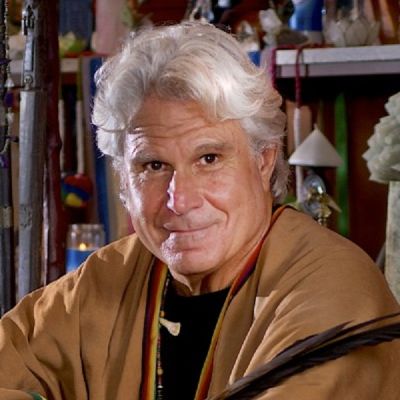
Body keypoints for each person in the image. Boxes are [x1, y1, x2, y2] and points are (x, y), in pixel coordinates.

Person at [1, 21, 400, 400]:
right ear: (123, 181)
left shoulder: (334, 288)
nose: (180, 199)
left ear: (263, 160)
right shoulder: (110, 277)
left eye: (209, 159)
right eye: (153, 166)